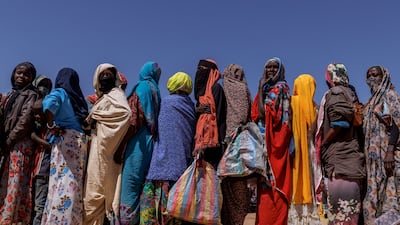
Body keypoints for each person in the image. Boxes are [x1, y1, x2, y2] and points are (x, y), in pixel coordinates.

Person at [140, 72, 196, 225]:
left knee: (152, 214)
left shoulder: (165, 103)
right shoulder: (192, 107)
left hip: (159, 168)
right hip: (182, 172)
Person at [83, 63, 131, 225]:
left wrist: (98, 116)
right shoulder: (102, 98)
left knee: (101, 188)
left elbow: (125, 114)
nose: (105, 77)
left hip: (107, 146)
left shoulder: (116, 94)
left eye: (109, 74)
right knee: (92, 189)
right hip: (96, 145)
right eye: (102, 74)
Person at [40, 68, 89, 225]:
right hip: (76, 142)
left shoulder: (62, 93)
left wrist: (51, 125)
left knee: (62, 183)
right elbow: (48, 105)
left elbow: (48, 106)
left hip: (67, 140)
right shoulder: (73, 97)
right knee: (71, 184)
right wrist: (52, 125)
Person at [318, 63, 365, 224]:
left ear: (329, 77)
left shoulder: (336, 92)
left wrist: (323, 143)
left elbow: (340, 123)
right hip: (352, 160)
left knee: (340, 214)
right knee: (349, 214)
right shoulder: (352, 93)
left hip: (341, 161)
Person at [250, 57, 292, 225]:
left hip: (275, 144)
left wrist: (260, 88)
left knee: (273, 188)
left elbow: (263, 114)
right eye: (268, 67)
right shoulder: (268, 89)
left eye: (275, 67)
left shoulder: (280, 88)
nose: (271, 70)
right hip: (263, 144)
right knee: (264, 191)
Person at [119, 61, 161, 225]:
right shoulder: (156, 90)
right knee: (141, 186)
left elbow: (133, 120)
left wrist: (121, 147)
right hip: (150, 142)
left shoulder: (142, 88)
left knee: (129, 187)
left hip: (137, 143)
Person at [0, 62, 38, 224]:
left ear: (31, 78)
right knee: (4, 182)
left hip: (19, 144)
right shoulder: (10, 95)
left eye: (26, 74)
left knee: (16, 183)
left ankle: (11, 219)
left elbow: (25, 120)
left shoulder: (30, 94)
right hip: (7, 145)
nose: (21, 76)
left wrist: (10, 140)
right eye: (18, 73)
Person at [362, 66, 400, 223]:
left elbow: (397, 124)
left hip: (387, 157)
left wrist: (390, 151)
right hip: (372, 162)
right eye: (369, 75)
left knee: (390, 199)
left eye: (375, 74)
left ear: (383, 76)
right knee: (371, 202)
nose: (372, 77)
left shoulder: (389, 96)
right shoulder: (370, 102)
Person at [220, 64, 252, 225]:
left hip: (226, 142)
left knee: (227, 186)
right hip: (242, 142)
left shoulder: (224, 85)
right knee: (240, 186)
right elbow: (248, 113)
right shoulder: (244, 88)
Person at [289, 74, 321, 224]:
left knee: (297, 179)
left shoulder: (291, 102)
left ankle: (296, 216)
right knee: (310, 181)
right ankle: (309, 216)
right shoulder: (316, 107)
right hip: (311, 151)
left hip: (295, 150)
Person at [193, 59, 227, 168]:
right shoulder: (201, 97)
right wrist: (197, 110)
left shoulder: (216, 89)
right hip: (200, 144)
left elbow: (220, 116)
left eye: (202, 70)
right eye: (198, 70)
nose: (199, 73)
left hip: (214, 143)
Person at [31, 74, 53, 225]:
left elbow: (50, 145)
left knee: (39, 208)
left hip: (43, 172)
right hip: (34, 171)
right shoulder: (36, 127)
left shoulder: (52, 129)